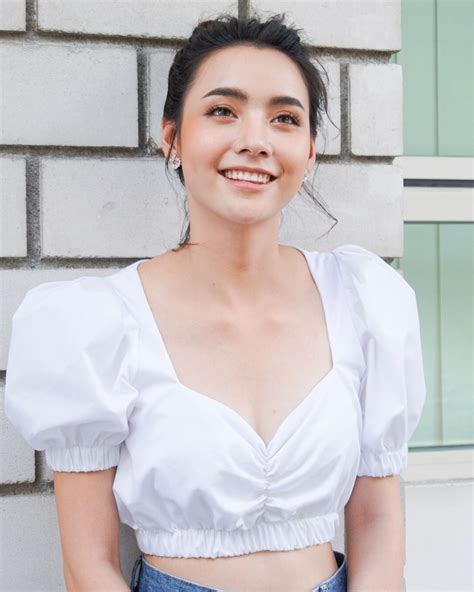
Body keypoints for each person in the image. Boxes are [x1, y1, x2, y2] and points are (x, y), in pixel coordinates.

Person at [4, 11, 427, 592]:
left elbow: (377, 519)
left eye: (284, 117)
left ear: (308, 152)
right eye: (222, 111)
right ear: (171, 136)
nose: (254, 141)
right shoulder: (97, 324)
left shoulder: (364, 302)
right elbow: (87, 565)